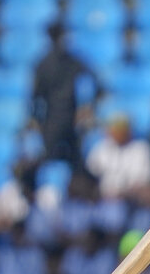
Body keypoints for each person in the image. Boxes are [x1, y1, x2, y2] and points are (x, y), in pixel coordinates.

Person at [30, 22, 102, 171]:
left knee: (74, 161)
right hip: (55, 119)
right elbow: (36, 96)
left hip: (69, 119)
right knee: (51, 160)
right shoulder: (45, 64)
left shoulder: (69, 62)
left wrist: (88, 107)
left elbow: (96, 83)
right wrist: (36, 120)